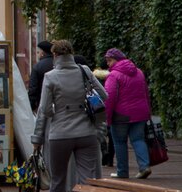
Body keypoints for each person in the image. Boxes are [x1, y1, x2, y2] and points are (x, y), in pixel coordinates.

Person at [31, 40, 107, 192]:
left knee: (58, 180)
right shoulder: (84, 70)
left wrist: (57, 113)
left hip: (60, 134)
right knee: (87, 180)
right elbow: (104, 95)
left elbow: (44, 109)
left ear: (54, 55)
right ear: (71, 53)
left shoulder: (50, 76)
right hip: (86, 132)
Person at [104, 48, 152, 179]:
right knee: (138, 139)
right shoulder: (139, 72)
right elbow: (146, 93)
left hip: (120, 114)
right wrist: (148, 111)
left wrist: (107, 118)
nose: (108, 64)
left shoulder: (113, 75)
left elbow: (109, 98)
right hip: (140, 112)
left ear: (118, 60)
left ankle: (122, 171)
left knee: (119, 142)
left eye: (110, 60)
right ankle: (144, 167)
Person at [28, 40, 54, 111]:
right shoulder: (58, 63)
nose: (37, 54)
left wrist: (31, 106)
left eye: (38, 52)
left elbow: (33, 89)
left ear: (42, 53)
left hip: (43, 104)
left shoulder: (37, 67)